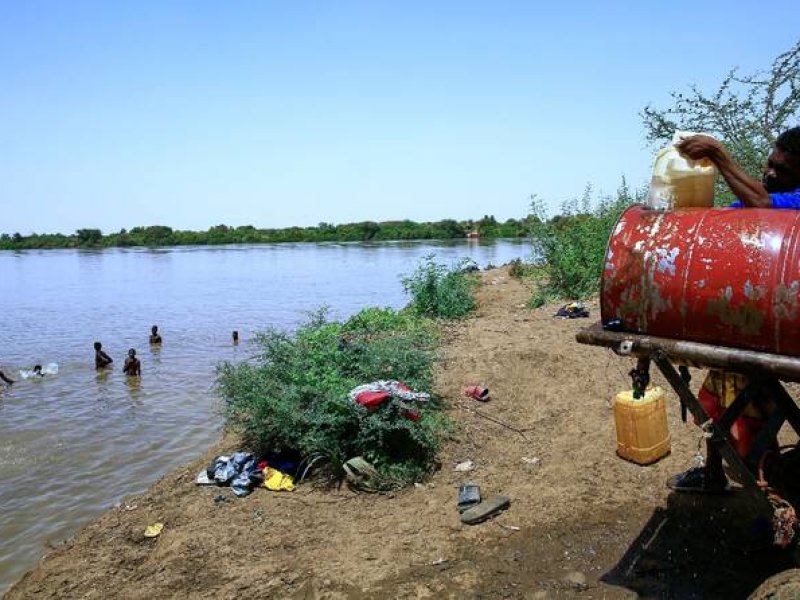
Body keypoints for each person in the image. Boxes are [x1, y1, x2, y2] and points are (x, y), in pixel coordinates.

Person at [667, 127, 800, 493]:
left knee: (746, 398)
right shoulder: (756, 201)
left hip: (781, 328)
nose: (769, 174)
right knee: (719, 389)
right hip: (750, 319)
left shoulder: (792, 202)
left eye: (783, 171)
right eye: (770, 165)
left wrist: (718, 154)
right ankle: (714, 472)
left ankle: (768, 487)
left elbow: (763, 206)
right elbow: (722, 222)